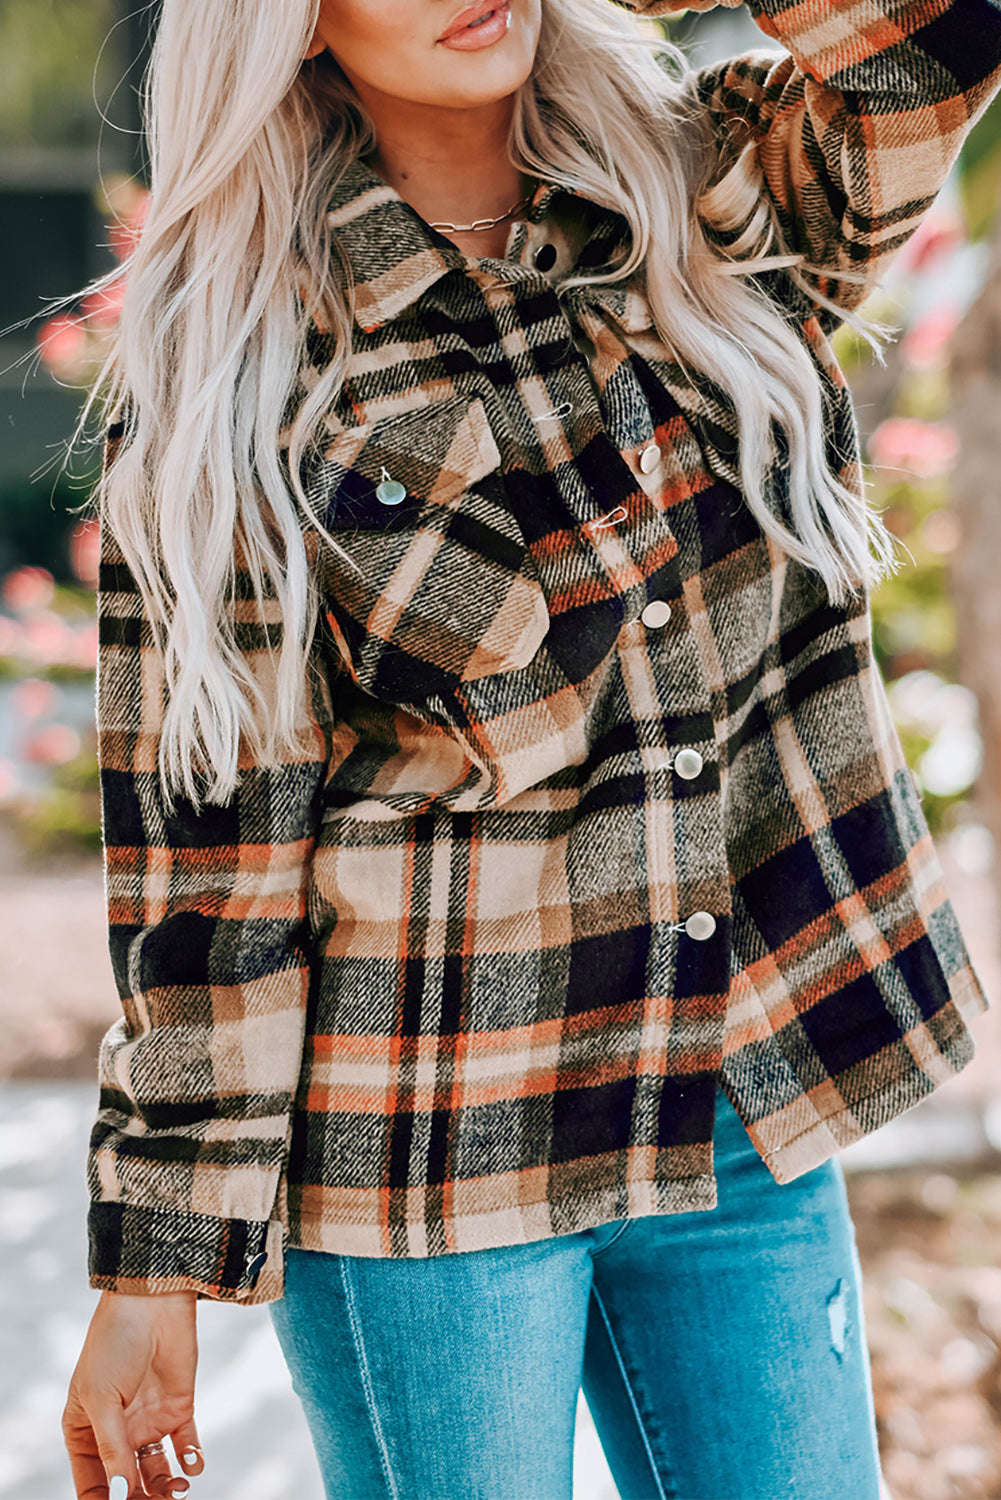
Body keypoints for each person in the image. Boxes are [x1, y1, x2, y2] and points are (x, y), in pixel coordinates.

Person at [59, 0, 1001, 1495]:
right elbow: (211, 860)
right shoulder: (244, 363)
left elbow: (934, 48)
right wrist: (154, 1260)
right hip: (435, 1158)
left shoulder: (699, 198)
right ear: (293, 23)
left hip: (738, 1096)